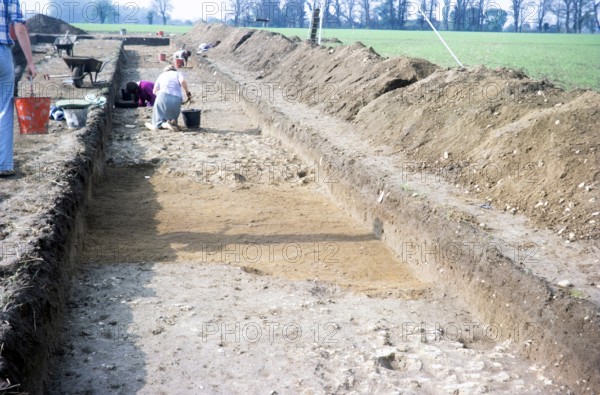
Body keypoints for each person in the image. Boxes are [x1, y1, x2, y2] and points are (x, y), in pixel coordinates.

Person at [1, 0, 36, 177]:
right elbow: (20, 29)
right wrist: (30, 62)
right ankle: (4, 165)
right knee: (4, 109)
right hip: (2, 53)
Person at [145, 65, 191, 132]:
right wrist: (187, 93)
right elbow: (183, 82)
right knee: (172, 116)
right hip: (176, 98)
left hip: (162, 96)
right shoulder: (178, 73)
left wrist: (161, 96)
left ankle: (165, 124)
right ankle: (172, 122)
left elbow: (154, 91)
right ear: (174, 70)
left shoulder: (162, 75)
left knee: (157, 122)